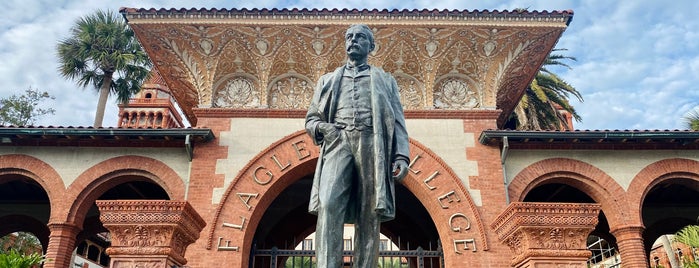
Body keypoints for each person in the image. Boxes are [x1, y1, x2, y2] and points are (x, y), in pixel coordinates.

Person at [305, 24, 410, 268]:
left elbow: (397, 120)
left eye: (360, 37)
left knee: (370, 212)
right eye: (349, 37)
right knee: (329, 203)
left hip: (372, 144)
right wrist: (324, 129)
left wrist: (402, 155)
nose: (353, 40)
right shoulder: (328, 80)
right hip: (337, 142)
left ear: (370, 46)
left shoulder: (385, 80)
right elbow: (312, 119)